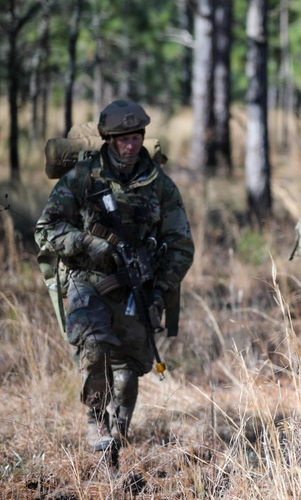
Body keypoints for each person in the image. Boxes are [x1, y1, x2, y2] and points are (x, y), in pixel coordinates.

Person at [35, 100, 194, 455]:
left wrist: (159, 290)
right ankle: (96, 420)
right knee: (94, 347)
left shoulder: (160, 185)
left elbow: (181, 245)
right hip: (85, 277)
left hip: (135, 286)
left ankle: (118, 435)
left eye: (136, 137)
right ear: (108, 139)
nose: (130, 145)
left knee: (128, 366)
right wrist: (87, 243)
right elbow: (46, 230)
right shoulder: (82, 178)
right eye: (122, 138)